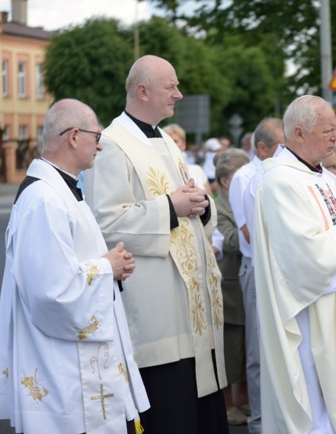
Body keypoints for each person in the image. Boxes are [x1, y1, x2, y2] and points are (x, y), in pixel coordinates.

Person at [83, 55, 229, 433]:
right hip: (158, 316)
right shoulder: (112, 145)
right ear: (143, 91)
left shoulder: (164, 138)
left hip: (191, 310)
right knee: (171, 415)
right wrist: (171, 207)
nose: (179, 94)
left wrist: (200, 204)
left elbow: (186, 200)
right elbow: (107, 222)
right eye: (171, 87)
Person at [0, 99, 149, 434]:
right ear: (74, 136)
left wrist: (111, 265)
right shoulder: (45, 200)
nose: (100, 144)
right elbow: (53, 293)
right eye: (96, 136)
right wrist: (107, 268)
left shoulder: (61, 190)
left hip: (74, 364)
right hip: (62, 369)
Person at [253, 95, 336, 433]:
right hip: (311, 320)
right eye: (328, 131)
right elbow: (301, 260)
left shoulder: (328, 180)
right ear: (299, 133)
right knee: (318, 409)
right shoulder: (280, 183)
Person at [228, 117, 284, 434]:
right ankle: (260, 421)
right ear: (262, 148)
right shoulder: (245, 177)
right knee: (258, 350)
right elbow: (248, 233)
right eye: (282, 146)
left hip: (284, 268)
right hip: (258, 268)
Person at [215, 149, 251, 426]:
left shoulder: (241, 202)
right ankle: (228, 405)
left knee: (246, 347)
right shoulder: (218, 207)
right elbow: (231, 241)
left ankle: (244, 400)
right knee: (230, 349)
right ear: (226, 181)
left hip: (243, 285)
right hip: (229, 288)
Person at [163, 123, 212, 195]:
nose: (171, 144)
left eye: (175, 141)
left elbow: (211, 201)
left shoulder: (197, 171)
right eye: (166, 141)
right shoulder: (159, 174)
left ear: (184, 145)